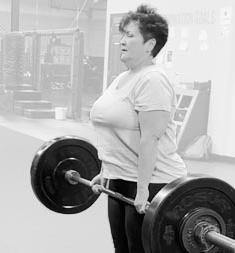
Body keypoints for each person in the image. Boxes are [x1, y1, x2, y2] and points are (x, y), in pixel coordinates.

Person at [89, 5, 187, 253]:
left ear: (149, 44)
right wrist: (106, 170)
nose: (121, 41)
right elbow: (113, 131)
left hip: (152, 182)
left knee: (139, 249)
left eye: (130, 35)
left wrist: (143, 190)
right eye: (122, 35)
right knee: (121, 248)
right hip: (120, 178)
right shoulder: (121, 79)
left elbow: (150, 139)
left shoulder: (152, 79)